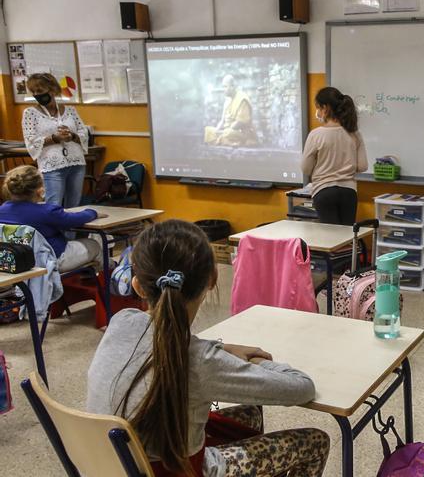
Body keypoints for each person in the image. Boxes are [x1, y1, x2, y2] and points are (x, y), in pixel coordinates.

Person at [86, 219, 330, 477]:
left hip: (114, 465)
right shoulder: (200, 360)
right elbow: (302, 387)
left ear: (138, 286)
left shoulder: (122, 321)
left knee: (249, 412)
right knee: (315, 441)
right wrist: (258, 362)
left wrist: (222, 349)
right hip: (178, 471)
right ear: (212, 278)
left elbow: (171, 345)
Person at [0, 165, 105, 273]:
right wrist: (92, 212)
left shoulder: (1, 210)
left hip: (15, 261)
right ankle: (110, 275)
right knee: (94, 245)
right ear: (40, 191)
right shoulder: (47, 212)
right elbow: (74, 219)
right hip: (51, 260)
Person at [21, 73, 90, 208]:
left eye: (40, 90)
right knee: (53, 206)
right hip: (51, 166)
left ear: (52, 90)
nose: (36, 94)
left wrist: (72, 136)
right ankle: (55, 230)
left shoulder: (70, 110)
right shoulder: (30, 113)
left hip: (76, 163)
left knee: (74, 206)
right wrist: (54, 138)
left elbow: (83, 132)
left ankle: (72, 230)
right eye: (33, 91)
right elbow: (31, 141)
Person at [302, 87, 368, 225]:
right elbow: (363, 166)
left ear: (325, 108)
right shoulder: (354, 134)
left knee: (331, 239)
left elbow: (306, 169)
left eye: (318, 108)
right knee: (346, 238)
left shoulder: (316, 135)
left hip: (323, 191)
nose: (317, 112)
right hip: (349, 192)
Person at [204, 74, 258, 146]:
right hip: (227, 131)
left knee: (228, 133)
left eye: (225, 87)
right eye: (223, 87)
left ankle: (231, 141)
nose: (223, 90)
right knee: (208, 130)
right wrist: (217, 130)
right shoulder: (227, 101)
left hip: (240, 132)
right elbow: (222, 120)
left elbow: (241, 121)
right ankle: (227, 140)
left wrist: (227, 130)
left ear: (232, 86)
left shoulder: (242, 99)